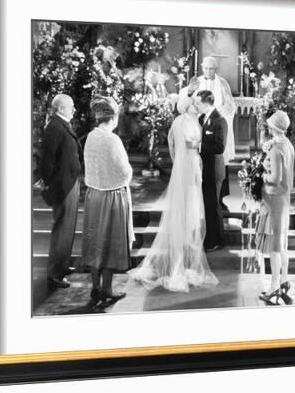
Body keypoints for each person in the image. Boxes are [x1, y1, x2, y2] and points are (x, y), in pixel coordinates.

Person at [128, 96, 218, 292]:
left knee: (187, 209)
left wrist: (176, 158)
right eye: (193, 103)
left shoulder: (181, 121)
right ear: (188, 107)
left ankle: (183, 258)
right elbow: (188, 142)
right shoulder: (186, 121)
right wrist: (198, 148)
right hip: (188, 166)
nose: (196, 105)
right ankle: (179, 265)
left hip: (185, 165)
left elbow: (170, 141)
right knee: (187, 208)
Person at [81, 96, 134, 306]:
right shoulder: (112, 139)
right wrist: (126, 177)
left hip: (94, 195)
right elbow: (123, 170)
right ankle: (107, 288)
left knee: (95, 241)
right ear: (114, 117)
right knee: (110, 241)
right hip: (112, 197)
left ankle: (95, 286)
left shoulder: (91, 136)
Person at [183, 56, 236, 210]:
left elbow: (230, 105)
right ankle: (202, 200)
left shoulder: (223, 83)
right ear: (202, 67)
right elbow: (188, 103)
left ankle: (219, 200)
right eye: (205, 68)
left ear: (215, 69)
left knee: (219, 163)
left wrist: (216, 115)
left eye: (211, 68)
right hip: (201, 126)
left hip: (217, 125)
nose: (208, 71)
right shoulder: (196, 82)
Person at [40, 94, 82, 289]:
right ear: (61, 109)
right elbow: (47, 160)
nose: (74, 109)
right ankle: (55, 273)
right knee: (62, 230)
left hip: (70, 182)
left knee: (68, 229)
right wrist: (50, 184)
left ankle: (62, 265)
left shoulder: (62, 124)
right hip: (62, 185)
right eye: (71, 106)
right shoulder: (54, 127)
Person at [255, 111, 295, 305]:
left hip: (274, 202)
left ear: (274, 127)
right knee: (283, 244)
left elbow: (275, 178)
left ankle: (273, 287)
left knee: (274, 248)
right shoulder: (287, 145)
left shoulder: (275, 149)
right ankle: (284, 279)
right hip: (284, 200)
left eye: (270, 125)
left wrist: (262, 176)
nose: (268, 128)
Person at [190, 90, 227, 252]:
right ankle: (209, 237)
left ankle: (217, 240)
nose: (196, 105)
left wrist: (198, 146)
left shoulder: (220, 120)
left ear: (206, 102)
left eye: (198, 102)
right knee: (207, 204)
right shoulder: (201, 118)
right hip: (204, 169)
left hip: (214, 169)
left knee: (214, 205)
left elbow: (220, 147)